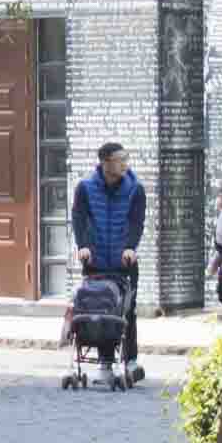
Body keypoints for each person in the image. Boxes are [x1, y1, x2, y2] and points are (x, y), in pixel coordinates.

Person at [66, 140, 152, 383]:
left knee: (126, 310)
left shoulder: (135, 189)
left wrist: (131, 247)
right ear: (105, 163)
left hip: (123, 262)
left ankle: (130, 360)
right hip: (95, 260)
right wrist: (83, 245)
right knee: (100, 308)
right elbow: (79, 218)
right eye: (120, 159)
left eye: (126, 159)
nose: (125, 164)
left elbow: (137, 222)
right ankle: (105, 363)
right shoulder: (85, 188)